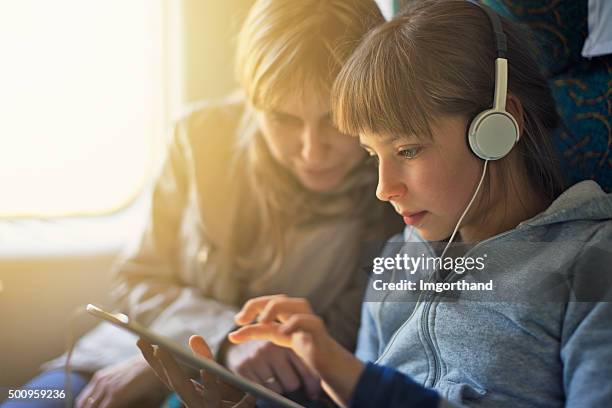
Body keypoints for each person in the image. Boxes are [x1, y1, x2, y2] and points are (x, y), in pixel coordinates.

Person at [155, 1, 612, 407]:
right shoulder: (396, 260)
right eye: (373, 156)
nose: (383, 188)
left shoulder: (592, 265)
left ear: (498, 126)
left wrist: (351, 376)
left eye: (408, 150)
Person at [2, 1, 399, 407]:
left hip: (273, 384)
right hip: (129, 351)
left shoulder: (395, 190)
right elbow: (138, 279)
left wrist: (196, 362)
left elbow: (348, 336)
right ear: (251, 101)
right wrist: (208, 342)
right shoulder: (198, 139)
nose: (312, 150)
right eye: (283, 119)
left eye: (333, 119)